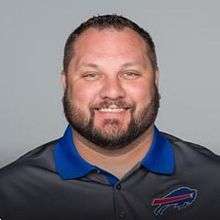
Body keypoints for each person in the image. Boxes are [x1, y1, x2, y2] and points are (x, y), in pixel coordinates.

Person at [0, 14, 219, 220]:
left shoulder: (213, 179)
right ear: (66, 83)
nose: (112, 92)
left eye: (130, 74)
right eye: (91, 75)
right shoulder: (9, 192)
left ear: (155, 80)